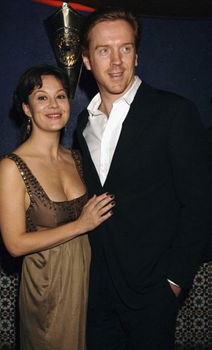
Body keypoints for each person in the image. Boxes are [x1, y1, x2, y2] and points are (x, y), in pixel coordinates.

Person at [74, 7, 212, 350]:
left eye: (126, 48)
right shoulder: (82, 124)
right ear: (87, 60)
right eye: (104, 50)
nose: (116, 61)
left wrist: (174, 279)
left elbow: (201, 202)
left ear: (137, 55)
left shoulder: (174, 112)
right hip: (99, 293)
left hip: (153, 291)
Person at [0, 65, 115, 350]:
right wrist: (80, 225)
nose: (53, 105)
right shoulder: (11, 167)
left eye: (60, 96)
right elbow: (14, 244)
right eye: (41, 97)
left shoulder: (76, 157)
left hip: (88, 282)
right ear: (26, 108)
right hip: (47, 288)